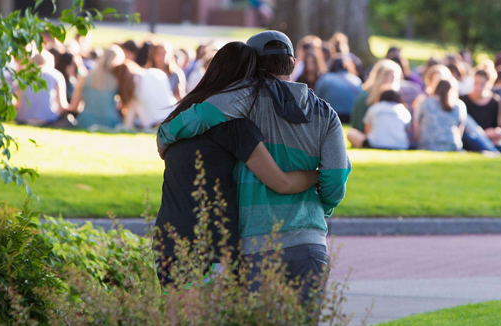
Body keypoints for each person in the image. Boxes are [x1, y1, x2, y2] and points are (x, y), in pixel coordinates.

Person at [157, 31, 351, 307]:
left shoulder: (243, 100)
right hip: (310, 245)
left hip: (257, 245)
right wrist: (320, 207)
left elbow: (202, 116)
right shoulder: (325, 114)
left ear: (253, 64)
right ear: (293, 63)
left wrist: (164, 137)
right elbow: (335, 181)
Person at [67, 45, 124, 130]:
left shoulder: (85, 77)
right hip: (110, 122)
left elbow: (74, 106)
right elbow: (122, 106)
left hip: (85, 122)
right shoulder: (116, 81)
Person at [113, 60, 176, 130]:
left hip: (154, 125)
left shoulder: (134, 86)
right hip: (172, 117)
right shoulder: (157, 73)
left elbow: (128, 121)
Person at [15, 51, 72, 128]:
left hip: (23, 118)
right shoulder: (55, 75)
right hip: (49, 119)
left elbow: (17, 103)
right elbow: (62, 105)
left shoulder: (22, 75)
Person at [347, 89, 411, 150]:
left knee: (351, 133)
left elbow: (367, 131)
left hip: (375, 144)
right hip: (400, 145)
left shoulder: (374, 108)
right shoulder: (402, 109)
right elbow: (407, 130)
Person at [414, 79, 467, 152]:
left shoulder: (426, 102)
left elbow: (416, 123)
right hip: (452, 145)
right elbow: (461, 128)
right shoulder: (459, 105)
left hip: (427, 145)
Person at [349, 59, 402, 131]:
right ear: (381, 78)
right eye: (392, 78)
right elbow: (357, 126)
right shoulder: (365, 97)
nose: (395, 82)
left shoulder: (397, 99)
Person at [314, 54, 362, 123]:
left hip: (330, 116)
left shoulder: (325, 78)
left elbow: (317, 98)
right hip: (350, 117)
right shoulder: (356, 80)